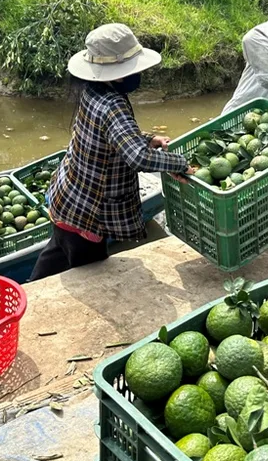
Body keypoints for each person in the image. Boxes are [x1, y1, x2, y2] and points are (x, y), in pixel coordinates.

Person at [29, 23, 193, 281]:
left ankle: (31, 289)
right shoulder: (114, 104)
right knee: (91, 274)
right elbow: (138, 157)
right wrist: (179, 164)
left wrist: (147, 139)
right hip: (87, 216)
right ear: (118, 74)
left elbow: (110, 136)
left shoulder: (91, 91)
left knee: (57, 251)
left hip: (67, 199)